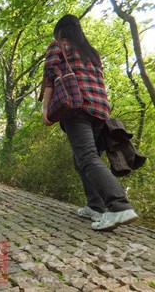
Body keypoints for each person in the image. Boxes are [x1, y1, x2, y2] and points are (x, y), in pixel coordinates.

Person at [40, 14, 138, 231]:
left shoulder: (58, 46)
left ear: (60, 32)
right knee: (81, 159)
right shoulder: (92, 53)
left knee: (86, 157)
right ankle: (94, 206)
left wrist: (45, 108)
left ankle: (118, 206)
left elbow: (49, 78)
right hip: (100, 110)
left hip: (77, 106)